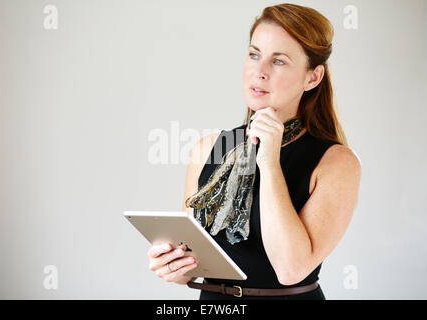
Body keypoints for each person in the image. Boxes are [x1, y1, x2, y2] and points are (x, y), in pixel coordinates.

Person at [147, 3, 361, 300]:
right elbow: (195, 262)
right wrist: (175, 267)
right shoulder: (208, 148)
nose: (259, 72)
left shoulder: (337, 162)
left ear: (312, 77)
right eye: (254, 54)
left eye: (280, 61)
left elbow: (290, 269)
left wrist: (270, 163)